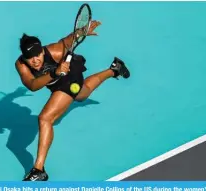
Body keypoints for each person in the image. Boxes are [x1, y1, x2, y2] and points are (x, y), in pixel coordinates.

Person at [15, 20, 130, 181]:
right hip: (55, 77)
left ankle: (39, 169)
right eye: (30, 58)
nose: (35, 60)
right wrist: (54, 73)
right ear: (23, 58)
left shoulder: (55, 51)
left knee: (45, 118)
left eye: (38, 54)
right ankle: (114, 69)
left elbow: (68, 40)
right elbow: (33, 85)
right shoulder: (21, 65)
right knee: (82, 95)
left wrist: (83, 30)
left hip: (70, 73)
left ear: (42, 50)